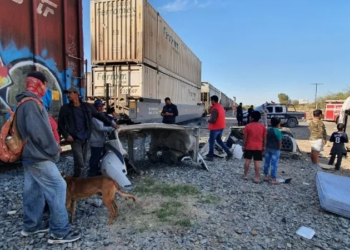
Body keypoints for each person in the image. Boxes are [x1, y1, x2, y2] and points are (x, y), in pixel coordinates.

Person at [16, 71, 80, 244]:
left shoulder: (23, 102)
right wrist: (54, 150)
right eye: (45, 84)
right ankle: (60, 232)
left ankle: (32, 226)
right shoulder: (32, 104)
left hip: (30, 155)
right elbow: (40, 134)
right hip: (39, 156)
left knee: (34, 190)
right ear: (40, 83)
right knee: (59, 186)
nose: (46, 88)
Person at [58, 87, 118, 177]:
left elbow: (99, 115)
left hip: (85, 138)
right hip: (75, 139)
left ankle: (79, 181)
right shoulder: (65, 108)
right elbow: (61, 124)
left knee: (83, 162)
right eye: (67, 93)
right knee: (80, 162)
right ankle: (78, 181)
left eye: (70, 93)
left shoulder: (87, 107)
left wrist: (112, 124)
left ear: (76, 94)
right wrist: (66, 135)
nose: (68, 95)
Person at [89, 100, 115, 177]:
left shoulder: (100, 116)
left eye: (102, 106)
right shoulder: (94, 118)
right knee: (95, 158)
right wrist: (112, 128)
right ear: (95, 108)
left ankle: (96, 170)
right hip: (96, 141)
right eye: (99, 107)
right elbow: (100, 128)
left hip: (100, 140)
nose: (101, 108)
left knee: (99, 156)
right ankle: (93, 173)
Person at [206, 95, 233, 161]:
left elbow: (213, 120)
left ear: (213, 100)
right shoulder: (221, 107)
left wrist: (208, 120)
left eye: (210, 100)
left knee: (211, 142)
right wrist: (210, 109)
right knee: (219, 140)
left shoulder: (215, 108)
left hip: (215, 128)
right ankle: (229, 152)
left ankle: (210, 156)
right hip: (221, 127)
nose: (210, 102)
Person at [243, 111, 267, 183]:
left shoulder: (247, 126)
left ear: (252, 118)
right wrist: (264, 146)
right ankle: (257, 178)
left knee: (247, 160)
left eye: (250, 116)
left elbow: (245, 138)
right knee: (257, 162)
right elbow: (265, 138)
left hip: (249, 146)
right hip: (258, 147)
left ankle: (245, 175)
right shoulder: (262, 127)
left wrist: (243, 146)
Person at [263, 117, 283, 184]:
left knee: (266, 163)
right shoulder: (278, 131)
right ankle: (273, 179)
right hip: (275, 150)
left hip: (268, 148)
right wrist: (279, 149)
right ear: (278, 124)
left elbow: (265, 139)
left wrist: (264, 147)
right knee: (274, 164)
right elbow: (279, 141)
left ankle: (266, 176)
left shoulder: (267, 130)